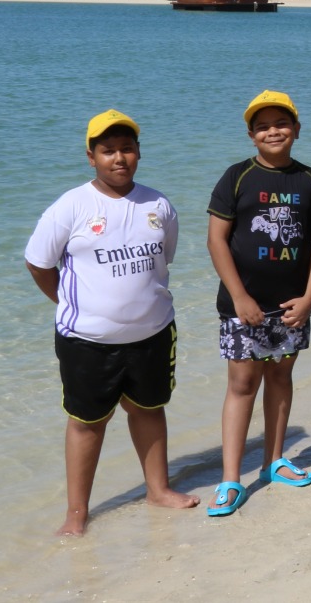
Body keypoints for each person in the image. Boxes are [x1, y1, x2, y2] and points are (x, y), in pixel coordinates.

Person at [24, 110, 196, 536]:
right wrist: (72, 303)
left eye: (127, 148)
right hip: (87, 341)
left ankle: (158, 490)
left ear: (138, 152)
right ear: (91, 157)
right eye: (108, 151)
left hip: (153, 333)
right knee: (87, 423)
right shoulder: (71, 206)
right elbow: (39, 263)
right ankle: (77, 513)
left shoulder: (158, 205)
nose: (119, 158)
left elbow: (163, 258)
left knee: (149, 410)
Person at [203, 91, 311, 517]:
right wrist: (240, 297)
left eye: (281, 123)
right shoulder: (237, 177)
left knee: (280, 377)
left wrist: (310, 297)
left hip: (292, 305)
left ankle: (274, 461)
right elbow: (216, 240)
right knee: (242, 385)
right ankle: (230, 479)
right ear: (250, 134)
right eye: (262, 126)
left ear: (297, 129)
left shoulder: (310, 180)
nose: (272, 131)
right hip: (242, 306)